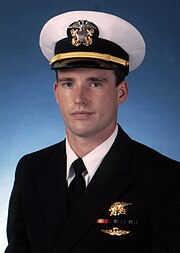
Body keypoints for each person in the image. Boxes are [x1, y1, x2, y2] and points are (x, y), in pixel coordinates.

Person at [5, 10, 180, 253]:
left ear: (121, 93)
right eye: (68, 84)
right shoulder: (30, 170)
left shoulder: (165, 178)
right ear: (56, 92)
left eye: (95, 83)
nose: (79, 99)